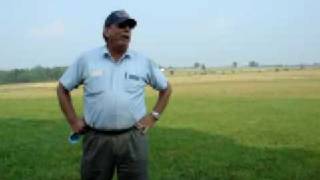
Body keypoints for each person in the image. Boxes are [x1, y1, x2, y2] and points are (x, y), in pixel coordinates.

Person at [57, 10, 172, 180]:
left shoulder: (143, 61)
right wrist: (73, 121)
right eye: (121, 26)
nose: (127, 30)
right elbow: (62, 88)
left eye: (129, 27)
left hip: (133, 138)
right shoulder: (87, 60)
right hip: (97, 139)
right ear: (107, 31)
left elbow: (166, 89)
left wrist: (153, 117)